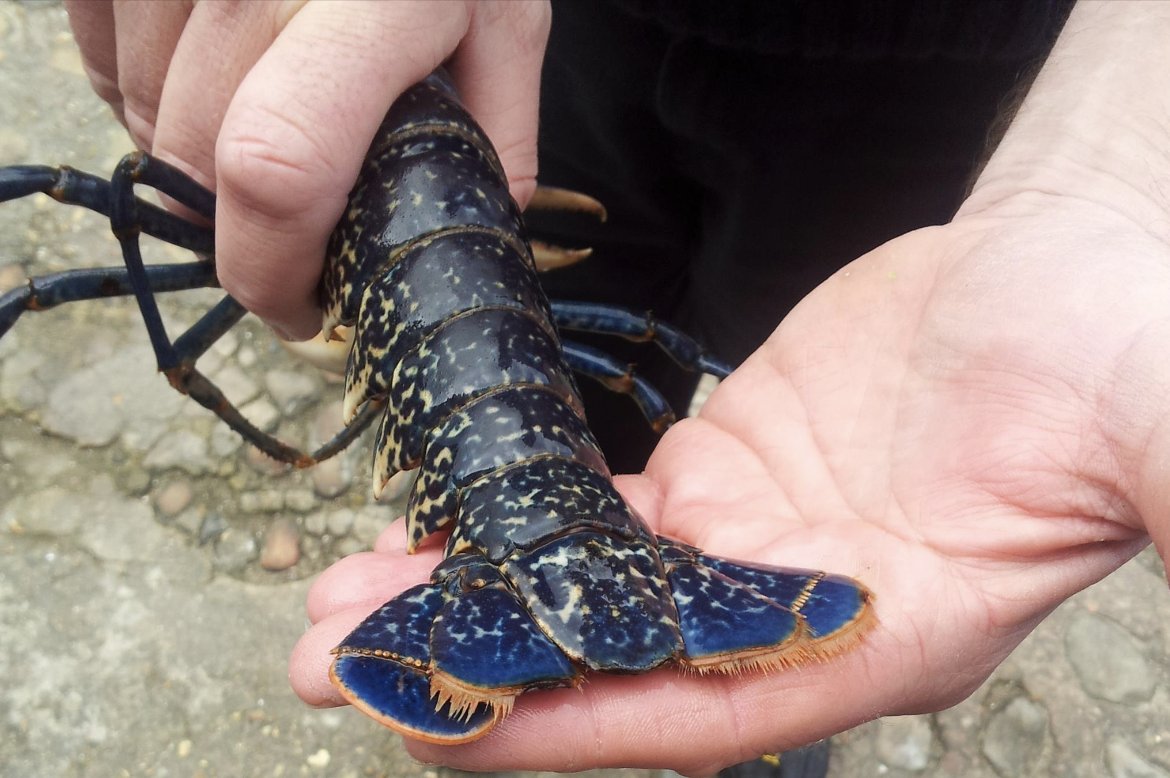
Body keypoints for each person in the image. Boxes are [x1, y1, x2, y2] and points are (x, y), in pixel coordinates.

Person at [65, 1, 1170, 774]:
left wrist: (1111, 183)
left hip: (920, 81)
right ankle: (604, 573)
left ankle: (624, 664)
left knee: (775, 331)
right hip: (551, 54)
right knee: (637, 340)